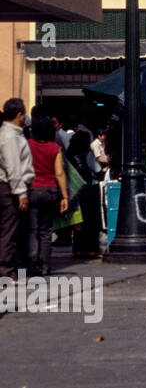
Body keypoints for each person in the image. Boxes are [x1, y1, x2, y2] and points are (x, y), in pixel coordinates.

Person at [25, 115, 68, 276]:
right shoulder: (55, 148)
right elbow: (59, 172)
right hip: (50, 190)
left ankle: (32, 260)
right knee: (46, 230)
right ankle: (45, 265)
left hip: (32, 189)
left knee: (32, 229)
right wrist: (65, 196)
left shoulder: (28, 145)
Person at [0, 98, 33, 280]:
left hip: (9, 186)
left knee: (9, 230)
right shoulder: (10, 136)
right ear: (19, 114)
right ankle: (6, 272)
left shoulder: (12, 134)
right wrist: (21, 193)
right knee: (9, 232)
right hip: (9, 188)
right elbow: (13, 166)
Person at [65, 131, 102, 259]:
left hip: (75, 188)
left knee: (78, 219)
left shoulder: (69, 153)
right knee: (92, 219)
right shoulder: (88, 153)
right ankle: (91, 249)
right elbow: (97, 168)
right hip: (90, 187)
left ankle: (78, 248)